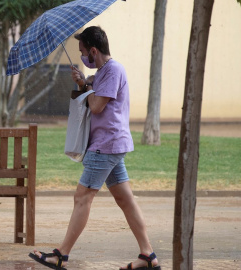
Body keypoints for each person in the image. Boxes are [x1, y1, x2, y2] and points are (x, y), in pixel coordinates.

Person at [29, 26, 161, 270]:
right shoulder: (102, 72)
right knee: (125, 199)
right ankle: (148, 256)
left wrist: (88, 87)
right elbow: (92, 99)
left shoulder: (113, 70)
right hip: (109, 143)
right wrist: (83, 83)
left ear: (93, 50)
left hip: (106, 145)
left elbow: (98, 105)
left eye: (83, 52)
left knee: (82, 197)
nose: (81, 56)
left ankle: (61, 255)